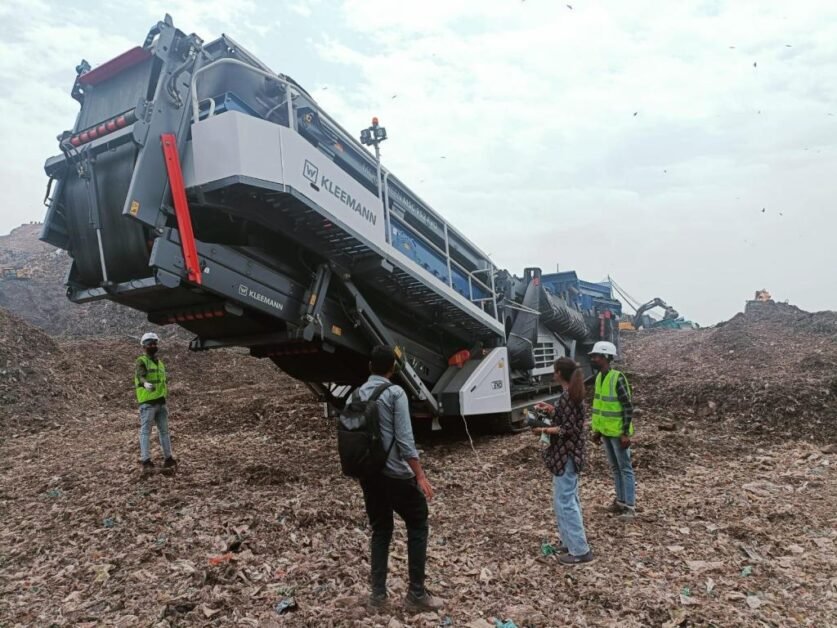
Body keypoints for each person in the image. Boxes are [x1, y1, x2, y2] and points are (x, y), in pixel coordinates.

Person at [356, 345, 443, 612]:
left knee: (381, 530)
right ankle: (416, 594)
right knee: (418, 522)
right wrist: (420, 475)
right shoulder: (395, 393)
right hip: (395, 474)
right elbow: (405, 441)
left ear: (371, 367)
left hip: (369, 474)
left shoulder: (358, 393)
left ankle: (378, 597)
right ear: (393, 369)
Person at [534, 357, 594, 565]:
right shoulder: (569, 394)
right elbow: (567, 418)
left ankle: (580, 550)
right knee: (565, 499)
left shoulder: (569, 396)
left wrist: (542, 430)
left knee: (566, 501)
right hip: (568, 454)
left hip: (566, 454)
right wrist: (551, 410)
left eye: (554, 370)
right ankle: (569, 542)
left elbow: (568, 429)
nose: (553, 373)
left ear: (560, 372)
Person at [588, 341, 636, 519]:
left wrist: (625, 433)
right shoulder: (600, 377)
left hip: (617, 433)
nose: (593, 359)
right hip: (606, 432)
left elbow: (627, 407)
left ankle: (630, 508)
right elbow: (600, 407)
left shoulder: (618, 377)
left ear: (606, 358)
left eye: (596, 356)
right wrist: (597, 431)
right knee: (616, 468)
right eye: (592, 356)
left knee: (625, 468)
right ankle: (620, 502)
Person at [134, 332, 176, 473]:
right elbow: (140, 376)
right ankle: (146, 461)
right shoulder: (142, 361)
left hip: (161, 402)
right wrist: (145, 384)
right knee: (145, 432)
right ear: (144, 346)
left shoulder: (160, 364)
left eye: (154, 343)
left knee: (164, 431)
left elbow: (163, 382)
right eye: (150, 344)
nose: (153, 346)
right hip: (147, 403)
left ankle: (168, 459)